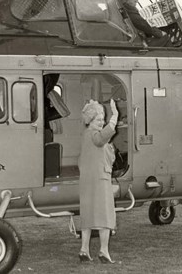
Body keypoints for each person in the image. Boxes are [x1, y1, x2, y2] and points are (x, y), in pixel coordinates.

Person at [78, 99, 118, 263]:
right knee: (105, 216)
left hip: (87, 180)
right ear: (90, 120)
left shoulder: (86, 135)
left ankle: (84, 250)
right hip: (100, 180)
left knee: (87, 216)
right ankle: (103, 251)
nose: (102, 122)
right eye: (99, 119)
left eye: (103, 119)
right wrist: (114, 117)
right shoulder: (95, 135)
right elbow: (101, 140)